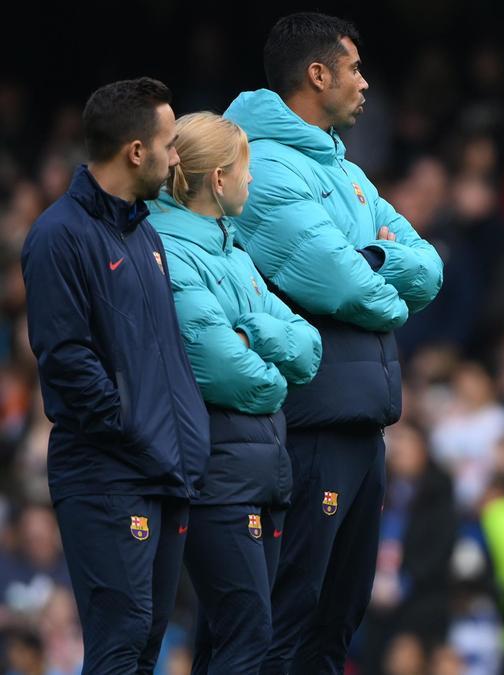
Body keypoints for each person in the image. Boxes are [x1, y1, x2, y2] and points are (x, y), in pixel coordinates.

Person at [223, 12, 444, 673]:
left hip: (362, 420)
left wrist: (367, 257)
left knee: (336, 625)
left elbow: (429, 266)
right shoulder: (266, 166)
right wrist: (382, 262)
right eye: (353, 68)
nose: (365, 83)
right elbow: (350, 287)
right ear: (317, 75)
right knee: (294, 616)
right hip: (310, 422)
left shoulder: (344, 168)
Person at [20, 77, 209, 674]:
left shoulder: (143, 231)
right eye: (171, 142)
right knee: (120, 641)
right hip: (108, 471)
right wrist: (134, 429)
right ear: (136, 150)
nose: (177, 156)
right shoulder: (59, 236)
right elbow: (67, 362)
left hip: (160, 470)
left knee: (146, 641)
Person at [148, 111, 322, 673]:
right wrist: (275, 377)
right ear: (219, 180)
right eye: (245, 171)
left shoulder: (236, 254)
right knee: (249, 637)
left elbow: (308, 347)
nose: (252, 182)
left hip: (260, 471)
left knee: (230, 640)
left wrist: (254, 333)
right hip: (219, 471)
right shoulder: (173, 254)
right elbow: (226, 370)